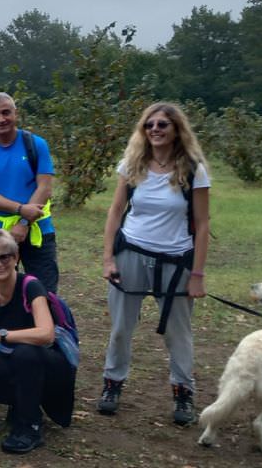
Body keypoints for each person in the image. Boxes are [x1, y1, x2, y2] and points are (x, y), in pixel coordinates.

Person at [99, 102, 210, 425]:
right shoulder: (132, 165)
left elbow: (202, 224)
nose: (155, 130)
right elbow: (116, 211)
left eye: (163, 124)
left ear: (177, 129)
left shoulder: (193, 170)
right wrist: (108, 258)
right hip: (131, 252)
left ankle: (183, 392)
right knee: (121, 327)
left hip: (176, 261)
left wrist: (198, 275)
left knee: (179, 332)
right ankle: (112, 385)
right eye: (149, 125)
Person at [0, 229, 75, 455]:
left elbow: (45, 334)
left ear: (16, 257)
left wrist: (1, 336)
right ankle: (23, 403)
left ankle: (29, 427)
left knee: (24, 353)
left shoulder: (31, 286)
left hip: (50, 365)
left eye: (4, 256)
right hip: (20, 365)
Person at [0, 92, 60, 292]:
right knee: (0, 291)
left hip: (37, 230)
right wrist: (21, 210)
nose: (1, 119)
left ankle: (46, 324)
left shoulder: (35, 144)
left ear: (15, 113)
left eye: (6, 113)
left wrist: (25, 222)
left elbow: (44, 186)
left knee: (44, 291)